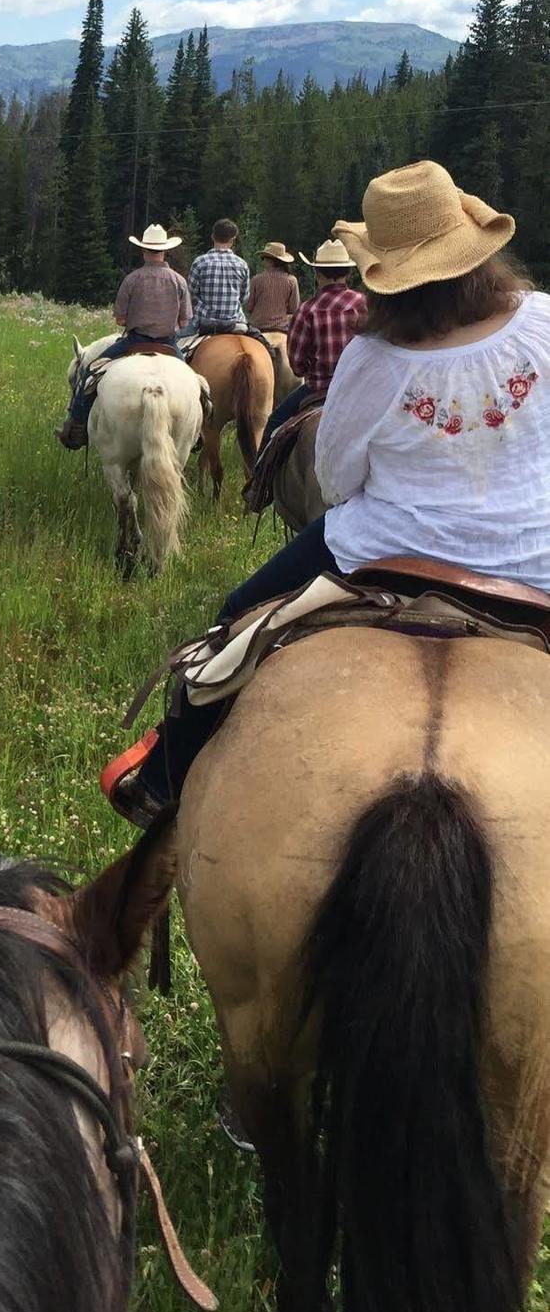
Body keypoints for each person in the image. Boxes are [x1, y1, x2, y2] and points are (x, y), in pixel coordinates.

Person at [103, 159, 550, 822]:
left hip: (385, 551)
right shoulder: (541, 320)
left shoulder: (375, 357)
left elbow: (336, 478)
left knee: (235, 621)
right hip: (533, 561)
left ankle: (165, 778)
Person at [55, 224, 192, 450]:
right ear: (164, 251)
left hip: (134, 341)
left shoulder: (132, 279)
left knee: (89, 375)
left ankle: (76, 427)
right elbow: (185, 321)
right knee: (196, 384)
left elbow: (119, 319)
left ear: (144, 251)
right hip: (168, 344)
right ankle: (196, 434)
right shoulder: (179, 281)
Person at [260, 239, 368, 445]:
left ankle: (259, 475)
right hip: (359, 388)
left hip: (318, 390)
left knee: (273, 424)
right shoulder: (364, 305)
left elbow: (298, 366)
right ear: (348, 273)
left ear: (317, 274)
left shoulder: (307, 310)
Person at [187, 219, 275, 355]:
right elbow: (244, 297)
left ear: (212, 236)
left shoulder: (199, 262)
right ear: (233, 240)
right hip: (236, 323)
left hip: (204, 322)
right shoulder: (242, 264)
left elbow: (192, 291)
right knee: (268, 350)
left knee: (177, 346)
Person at [244, 241, 300, 333]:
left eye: (263, 258)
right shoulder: (292, 280)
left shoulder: (256, 279)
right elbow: (294, 308)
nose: (262, 260)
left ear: (270, 261)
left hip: (258, 326)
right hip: (281, 326)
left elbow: (249, 307)